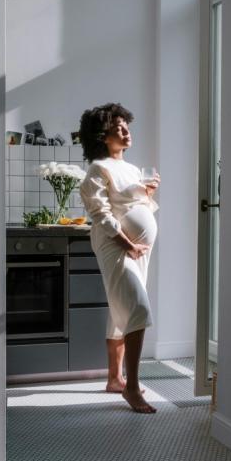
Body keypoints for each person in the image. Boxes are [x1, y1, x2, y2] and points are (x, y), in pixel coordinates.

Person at [78, 103, 161, 414]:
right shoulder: (98, 168)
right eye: (118, 128)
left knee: (120, 309)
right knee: (136, 307)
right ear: (103, 135)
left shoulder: (132, 169)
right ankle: (132, 388)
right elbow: (100, 213)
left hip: (138, 248)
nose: (126, 132)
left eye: (127, 126)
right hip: (117, 246)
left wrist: (148, 195)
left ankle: (115, 379)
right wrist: (127, 243)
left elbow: (136, 209)